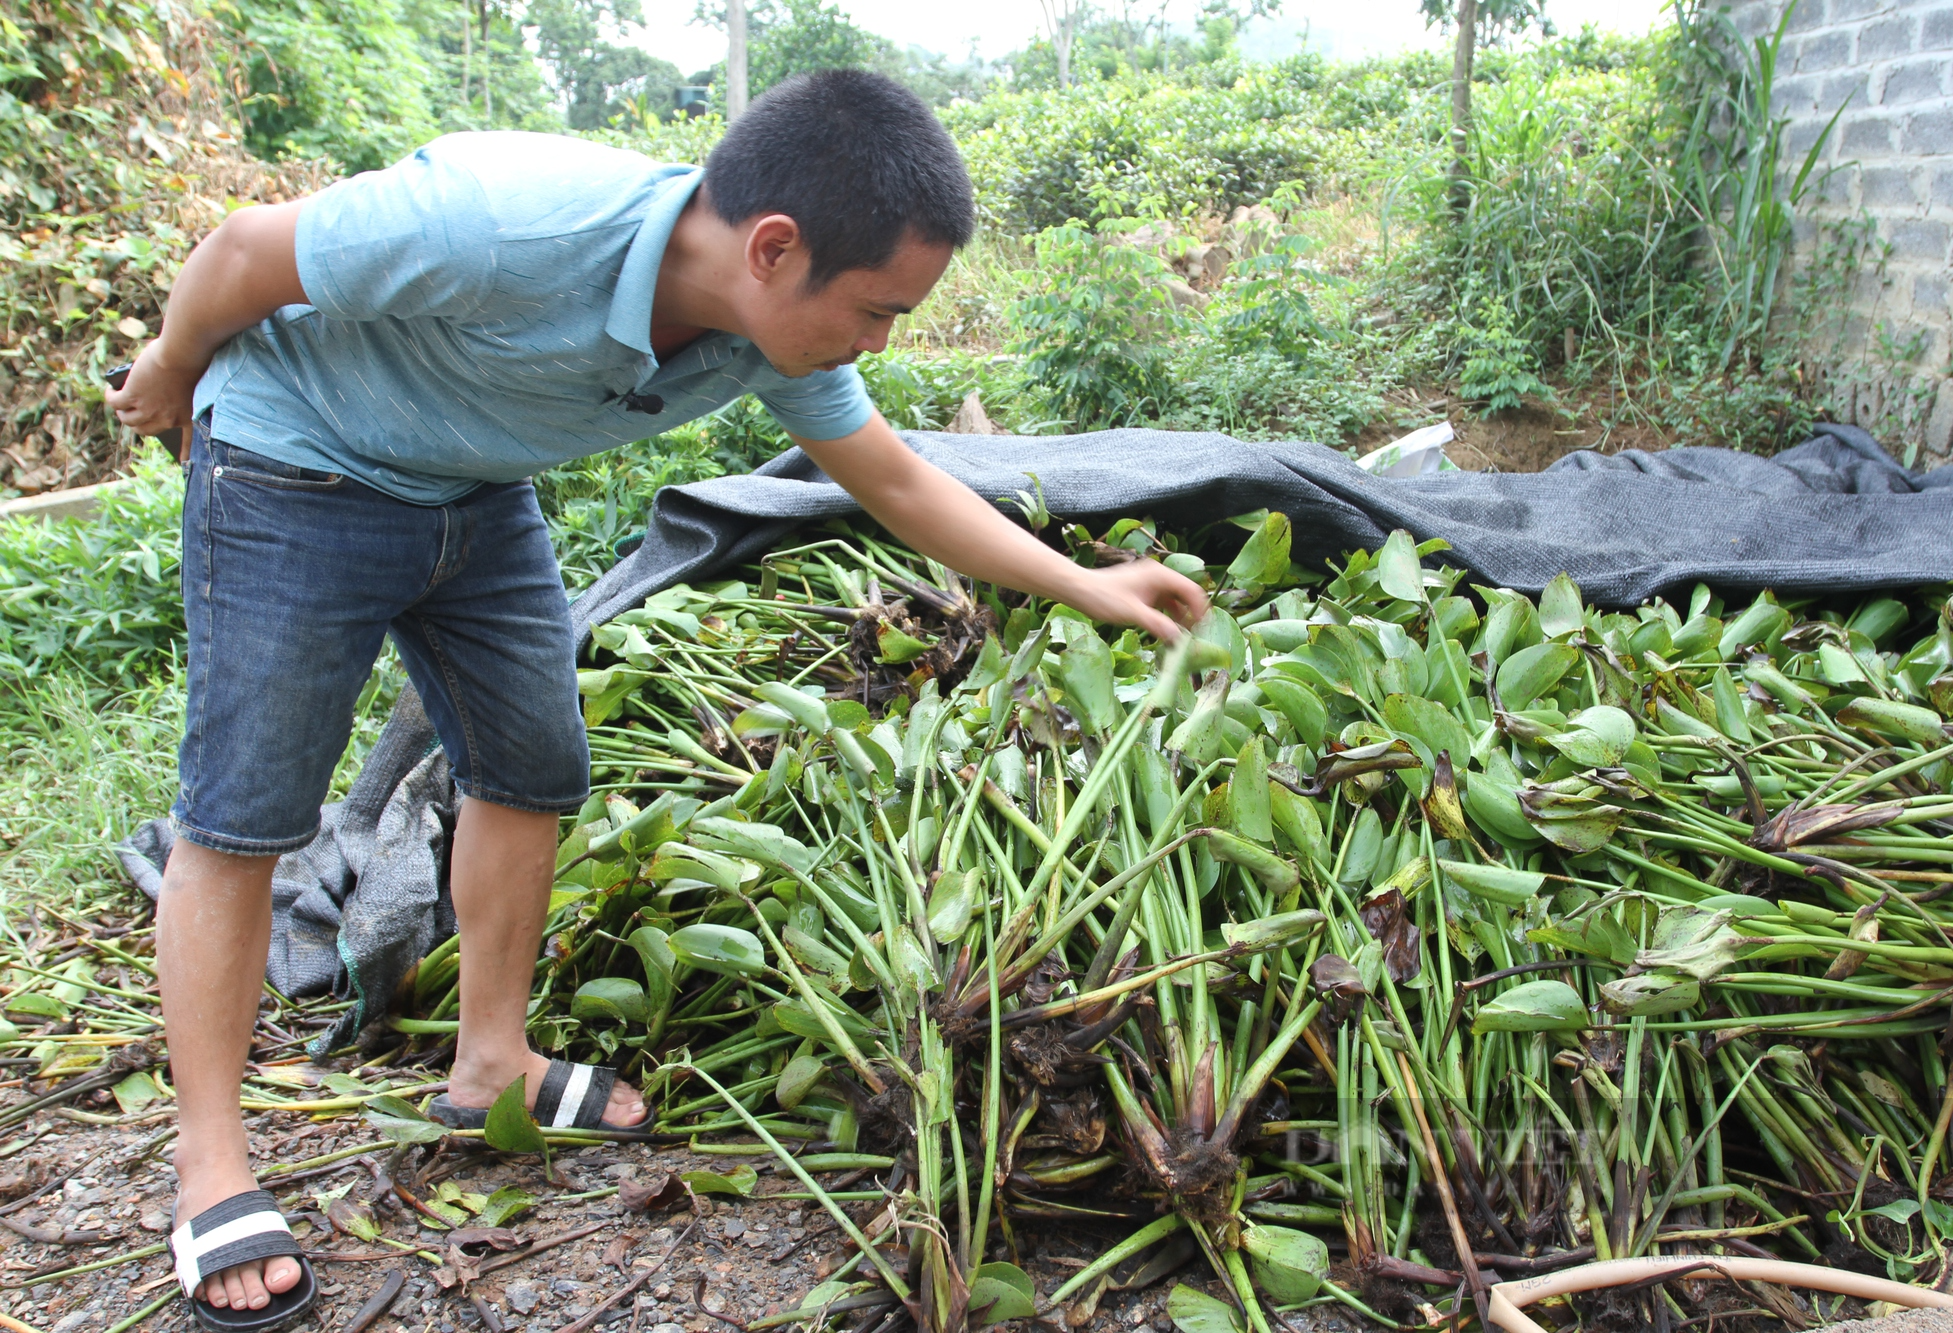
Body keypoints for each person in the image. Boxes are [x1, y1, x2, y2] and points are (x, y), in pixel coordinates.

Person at [106, 68, 1207, 1329]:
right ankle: (211, 1167)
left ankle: (492, 1062)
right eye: (876, 309)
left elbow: (896, 482)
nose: (881, 341)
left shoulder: (762, 330)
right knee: (245, 814)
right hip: (298, 465)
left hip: (473, 489)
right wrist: (171, 367)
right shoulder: (506, 221)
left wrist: (1082, 582)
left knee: (530, 764)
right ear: (774, 248)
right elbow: (248, 249)